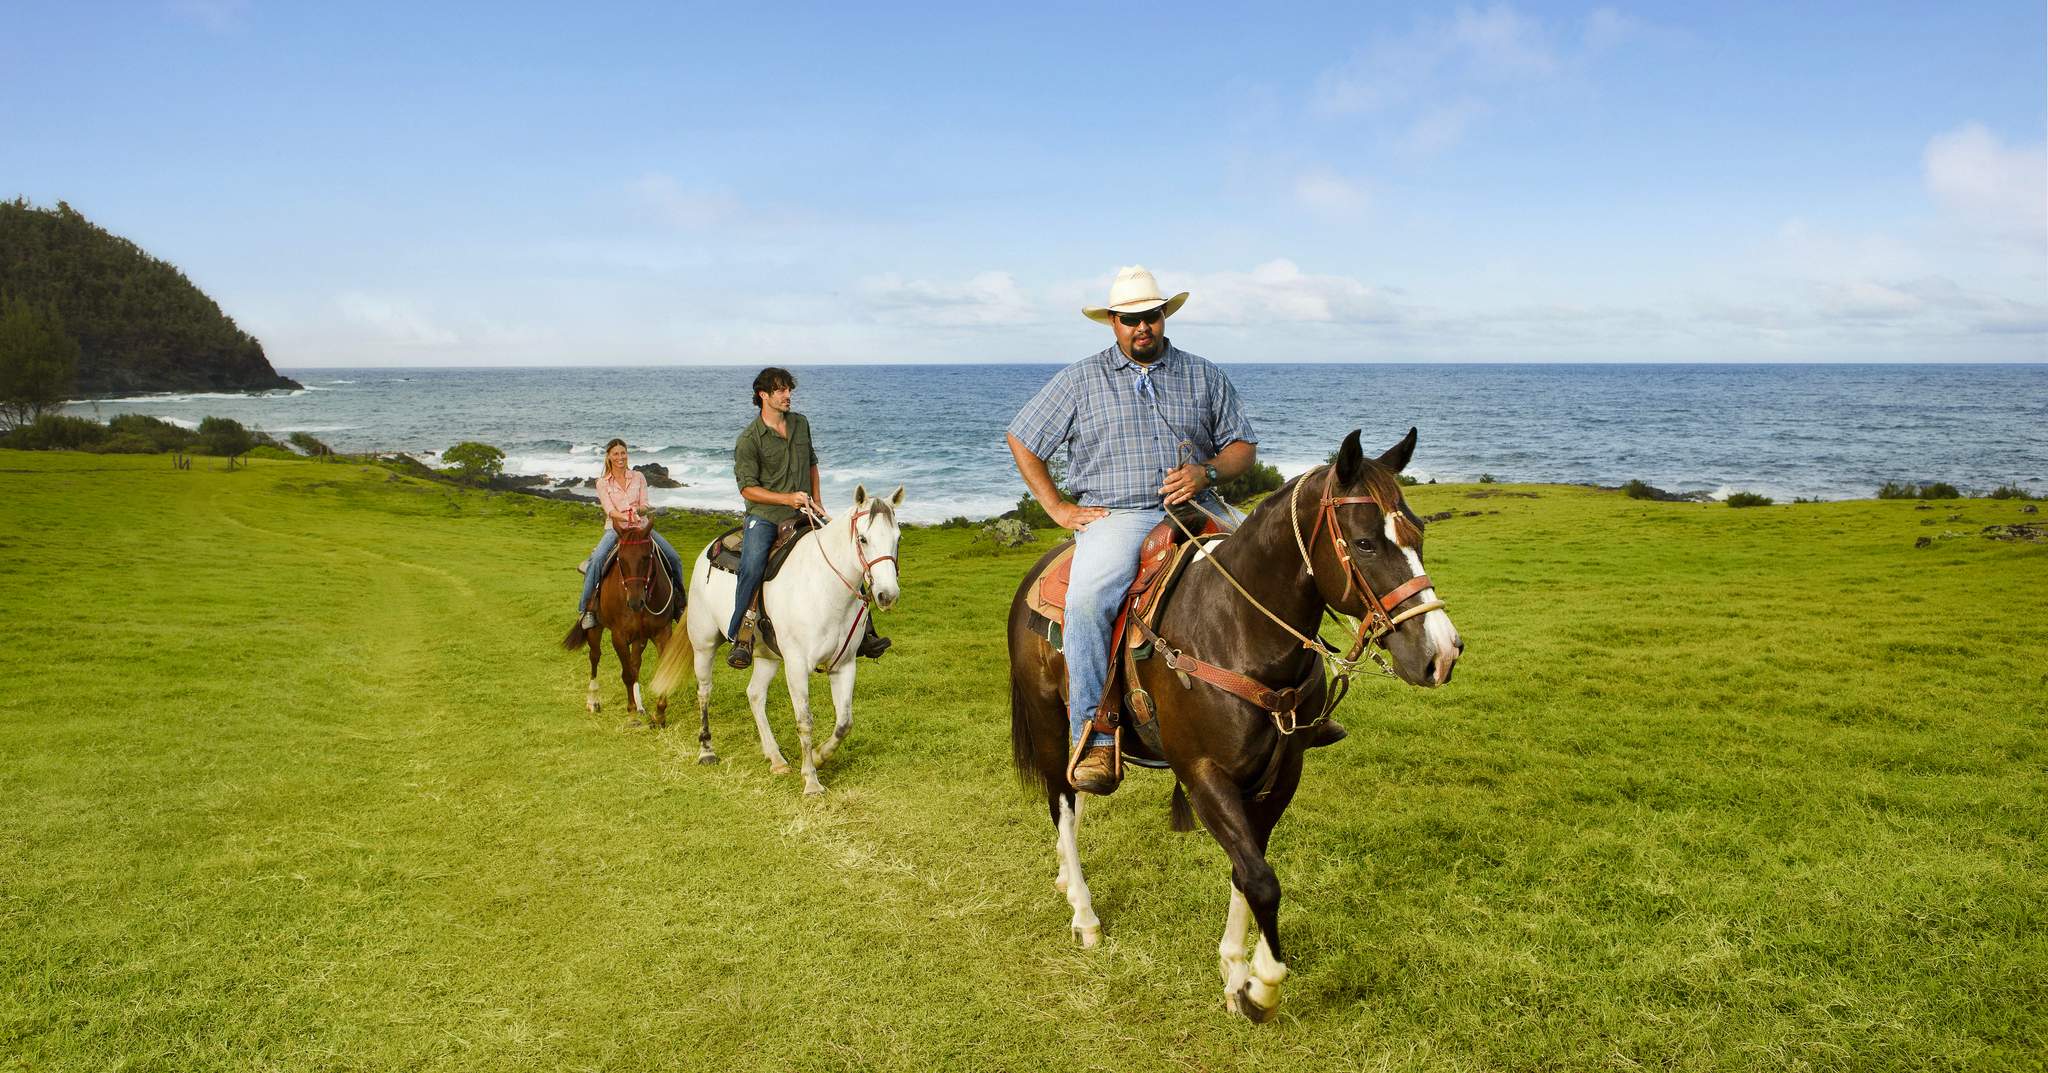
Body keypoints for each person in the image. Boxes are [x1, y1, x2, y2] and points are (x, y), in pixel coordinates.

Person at [1005, 265, 1260, 796]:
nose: (1141, 327)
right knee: (1089, 601)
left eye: (1150, 316)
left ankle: (1296, 702)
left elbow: (1242, 448)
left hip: (1198, 505)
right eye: (1129, 319)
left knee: (1266, 569)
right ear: (1112, 323)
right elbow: (1023, 438)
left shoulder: (1204, 374)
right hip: (1118, 517)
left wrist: (1205, 472)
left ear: (1164, 317)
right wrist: (1056, 507)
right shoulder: (1079, 379)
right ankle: (1093, 735)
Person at [727, 367, 891, 669]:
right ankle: (742, 635)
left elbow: (812, 463)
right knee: (751, 566)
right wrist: (786, 498)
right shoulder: (749, 439)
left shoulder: (800, 424)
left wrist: (816, 499)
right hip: (765, 516)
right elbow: (747, 489)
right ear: (763, 395)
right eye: (780, 390)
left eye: (789, 389)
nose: (788, 395)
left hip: (804, 511)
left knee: (852, 551)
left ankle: (865, 632)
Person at [577, 438, 684, 628]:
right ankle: (585, 610)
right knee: (598, 559)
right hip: (616, 529)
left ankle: (680, 604)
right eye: (616, 454)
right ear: (609, 457)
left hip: (640, 528)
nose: (620, 457)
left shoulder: (639, 477)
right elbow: (609, 510)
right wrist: (626, 516)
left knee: (674, 558)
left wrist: (639, 512)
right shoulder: (602, 483)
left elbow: (645, 504)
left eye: (623, 453)